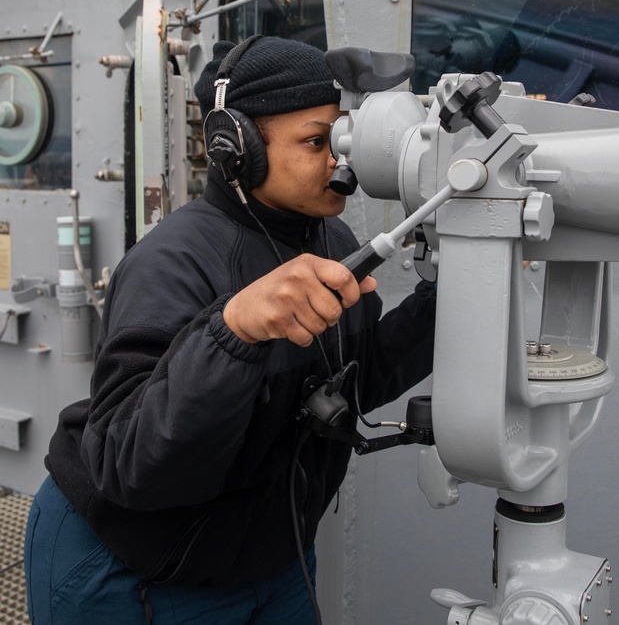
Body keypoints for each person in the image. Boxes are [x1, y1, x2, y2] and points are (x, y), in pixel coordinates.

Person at [24, 36, 436, 623]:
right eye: (318, 142)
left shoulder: (329, 241)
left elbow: (355, 378)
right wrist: (234, 331)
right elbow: (132, 465)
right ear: (237, 148)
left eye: (344, 137)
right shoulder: (169, 264)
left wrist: (452, 294)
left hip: (269, 553)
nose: (341, 161)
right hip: (134, 564)